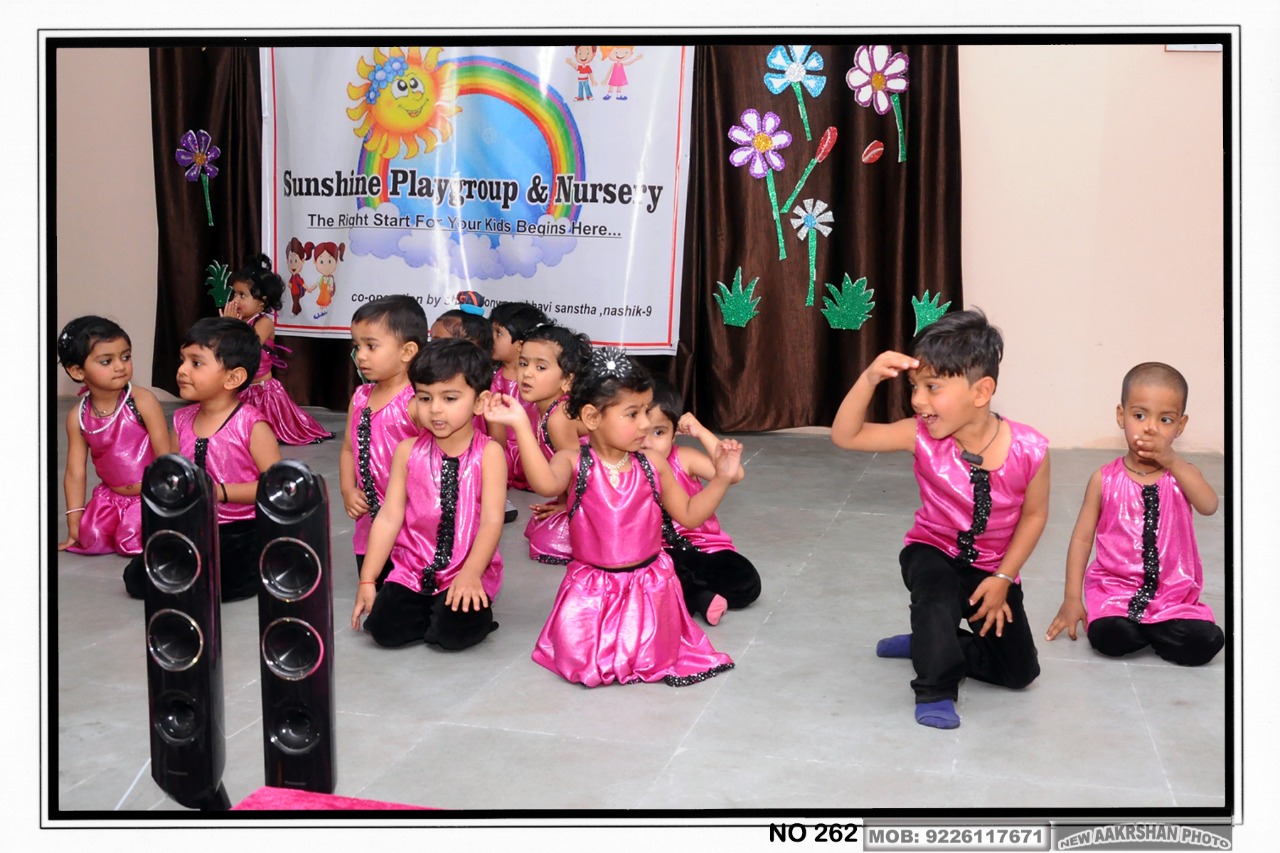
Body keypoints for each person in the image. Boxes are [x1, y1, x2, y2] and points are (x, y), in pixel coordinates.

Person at [830, 309, 1049, 729]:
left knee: (1020, 673)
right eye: (914, 387)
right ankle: (935, 689)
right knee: (936, 598)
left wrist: (1003, 578)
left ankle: (929, 643)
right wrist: (869, 378)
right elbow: (846, 435)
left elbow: (1035, 516)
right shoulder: (917, 435)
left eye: (932, 387)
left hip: (993, 570)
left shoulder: (1031, 448)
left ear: (981, 391)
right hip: (932, 550)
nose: (917, 400)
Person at [486, 346, 739, 687]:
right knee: (582, 662)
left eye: (646, 411)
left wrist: (721, 479)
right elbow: (544, 482)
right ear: (592, 418)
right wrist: (520, 423)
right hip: (592, 593)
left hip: (649, 591)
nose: (646, 423)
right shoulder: (572, 461)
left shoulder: (653, 464)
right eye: (632, 414)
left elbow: (690, 515)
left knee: (654, 655)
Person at [1045, 362, 1224, 666]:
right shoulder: (1104, 479)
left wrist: (1173, 461)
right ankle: (1143, 629)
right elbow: (1082, 539)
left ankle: (1158, 625)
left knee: (1207, 641)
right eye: (1139, 415)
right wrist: (1072, 598)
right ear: (1121, 415)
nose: (1150, 427)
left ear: (1180, 426)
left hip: (1173, 596)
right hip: (1115, 593)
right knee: (1109, 637)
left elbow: (1209, 506)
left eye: (1165, 420)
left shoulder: (1183, 475)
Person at [350, 339, 506, 651]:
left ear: (479, 402)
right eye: (424, 397)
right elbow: (389, 517)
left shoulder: (489, 453)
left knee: (452, 635)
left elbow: (491, 521)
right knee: (383, 631)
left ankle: (462, 610)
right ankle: (427, 608)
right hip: (411, 569)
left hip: (465, 569)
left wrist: (471, 573)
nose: (435, 409)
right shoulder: (406, 451)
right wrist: (368, 579)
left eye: (449, 398)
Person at [123, 317, 281, 601]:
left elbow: (276, 489)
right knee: (137, 578)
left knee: (222, 582)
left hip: (240, 529)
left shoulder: (251, 425)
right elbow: (172, 473)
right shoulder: (182, 420)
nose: (182, 370)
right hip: (192, 525)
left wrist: (218, 492)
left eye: (196, 363)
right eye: (182, 360)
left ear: (233, 378)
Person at [642, 379, 761, 625]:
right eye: (641, 432)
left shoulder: (684, 458)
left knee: (746, 582)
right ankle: (697, 596)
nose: (648, 442)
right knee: (653, 576)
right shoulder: (625, 467)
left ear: (674, 434)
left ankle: (688, 593)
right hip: (660, 555)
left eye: (659, 432)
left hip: (705, 549)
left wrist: (701, 432)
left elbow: (734, 475)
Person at [57, 316, 170, 557]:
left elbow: (166, 456)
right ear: (77, 371)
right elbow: (75, 472)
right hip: (110, 498)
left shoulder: (142, 401)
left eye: (125, 357)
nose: (120, 366)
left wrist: (169, 501)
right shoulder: (78, 416)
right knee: (91, 536)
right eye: (107, 361)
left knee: (130, 540)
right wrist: (74, 524)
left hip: (150, 495)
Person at [341, 295, 430, 589]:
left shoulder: (417, 403)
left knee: (408, 592)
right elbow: (348, 449)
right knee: (374, 586)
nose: (360, 356)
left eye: (371, 346)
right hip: (370, 523)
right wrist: (348, 489)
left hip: (413, 526)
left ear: (407, 351)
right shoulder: (360, 397)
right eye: (357, 346)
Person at [223, 254, 334, 445]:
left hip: (262, 392)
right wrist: (224, 326)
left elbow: (247, 347)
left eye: (242, 295)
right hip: (240, 389)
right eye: (234, 294)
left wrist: (231, 326)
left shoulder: (264, 322)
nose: (235, 300)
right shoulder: (238, 322)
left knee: (261, 433)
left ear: (262, 301)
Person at [515, 323, 592, 565]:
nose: (527, 373)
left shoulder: (559, 417)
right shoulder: (543, 409)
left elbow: (578, 471)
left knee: (547, 542)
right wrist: (561, 503)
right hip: (576, 491)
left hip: (595, 494)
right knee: (537, 525)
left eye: (540, 367)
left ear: (567, 380)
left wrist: (569, 507)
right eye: (523, 363)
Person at [488, 301, 549, 492]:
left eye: (498, 333)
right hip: (503, 456)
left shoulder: (543, 383)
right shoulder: (492, 380)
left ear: (521, 345)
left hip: (536, 454)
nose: (491, 338)